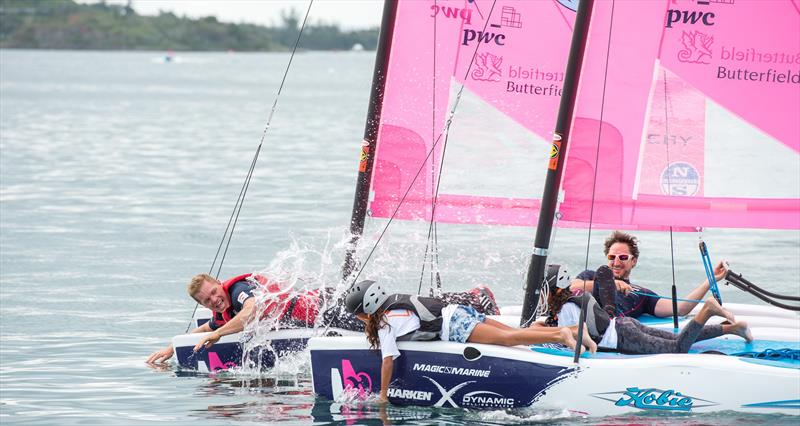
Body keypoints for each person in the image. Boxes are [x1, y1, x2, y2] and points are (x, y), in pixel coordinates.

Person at [146, 273, 502, 364]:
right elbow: (206, 329)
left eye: (214, 291)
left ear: (217, 282)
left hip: (323, 307)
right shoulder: (222, 312)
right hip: (318, 315)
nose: (216, 297)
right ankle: (465, 298)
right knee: (390, 309)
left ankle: (472, 298)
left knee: (389, 311)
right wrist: (170, 350)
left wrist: (218, 334)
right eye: (208, 299)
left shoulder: (239, 292)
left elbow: (251, 311)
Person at [344, 280, 597, 403]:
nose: (360, 321)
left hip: (454, 324)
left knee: (508, 339)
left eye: (359, 317)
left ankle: (560, 334)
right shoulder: (395, 303)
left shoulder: (384, 324)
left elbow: (388, 361)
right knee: (516, 332)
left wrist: (384, 396)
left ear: (367, 310)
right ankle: (574, 329)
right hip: (458, 311)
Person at [537, 270, 752, 354]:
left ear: (555, 290)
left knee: (678, 348)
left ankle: (706, 310)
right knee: (678, 338)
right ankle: (733, 328)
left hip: (622, 338)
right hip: (624, 324)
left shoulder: (565, 309)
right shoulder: (574, 296)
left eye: (545, 290)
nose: (543, 296)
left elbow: (573, 337)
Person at [570, 231, 728, 318]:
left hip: (608, 329)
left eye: (623, 257)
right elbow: (571, 288)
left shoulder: (641, 294)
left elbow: (680, 309)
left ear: (634, 261)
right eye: (612, 257)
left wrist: (710, 280)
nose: (616, 262)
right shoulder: (590, 275)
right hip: (578, 321)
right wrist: (607, 284)